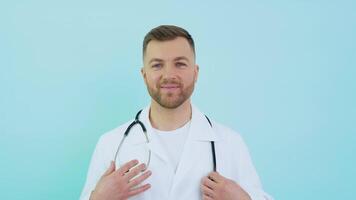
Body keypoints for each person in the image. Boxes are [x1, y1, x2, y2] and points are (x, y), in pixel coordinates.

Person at [80, 25, 273, 200]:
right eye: (157, 65)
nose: (169, 75)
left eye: (180, 63)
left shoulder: (230, 143)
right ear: (144, 74)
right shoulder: (111, 144)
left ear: (196, 72)